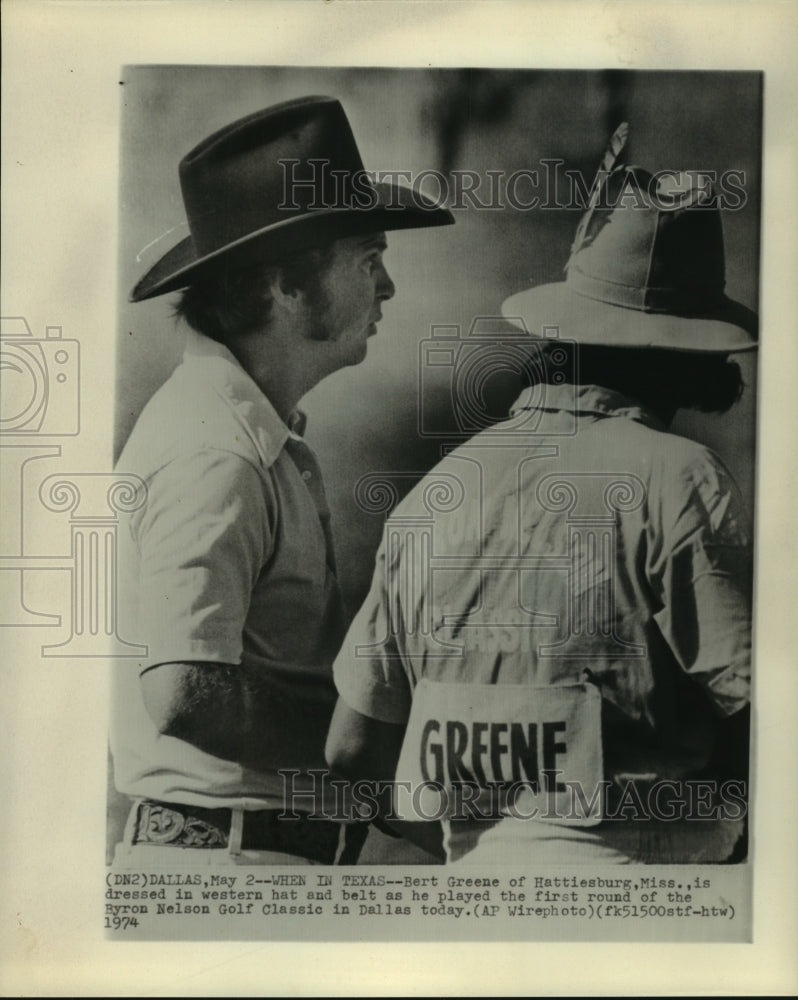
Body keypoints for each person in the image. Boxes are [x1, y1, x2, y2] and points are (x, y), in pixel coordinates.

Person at [326, 158, 756, 865]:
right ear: (689, 354)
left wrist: (496, 843)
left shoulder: (440, 490)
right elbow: (761, 712)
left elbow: (352, 750)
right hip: (649, 898)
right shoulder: (678, 476)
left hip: (471, 901)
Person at [110, 95, 453, 865]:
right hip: (226, 870)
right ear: (284, 287)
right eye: (369, 260)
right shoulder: (217, 449)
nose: (388, 288)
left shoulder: (247, 433)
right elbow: (183, 690)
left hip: (247, 867)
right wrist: (367, 752)